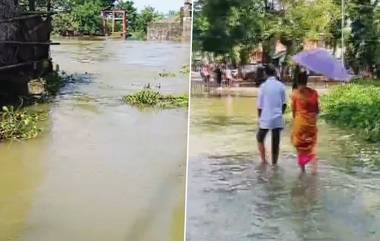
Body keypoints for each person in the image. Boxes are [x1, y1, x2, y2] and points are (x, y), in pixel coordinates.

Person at [256, 64, 287, 165]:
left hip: (265, 118)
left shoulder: (263, 86)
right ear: (275, 73)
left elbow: (260, 106)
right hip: (277, 117)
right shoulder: (281, 86)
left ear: (265, 73)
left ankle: (264, 161)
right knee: (275, 143)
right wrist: (280, 114)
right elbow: (284, 104)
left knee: (259, 138)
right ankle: (274, 164)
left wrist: (260, 118)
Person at [291, 71, 319, 173]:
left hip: (300, 123)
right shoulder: (314, 93)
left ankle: (302, 172)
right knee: (311, 147)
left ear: (298, 81)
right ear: (306, 81)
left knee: (300, 147)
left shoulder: (295, 94)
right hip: (311, 123)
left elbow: (294, 111)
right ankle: (314, 171)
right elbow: (316, 110)